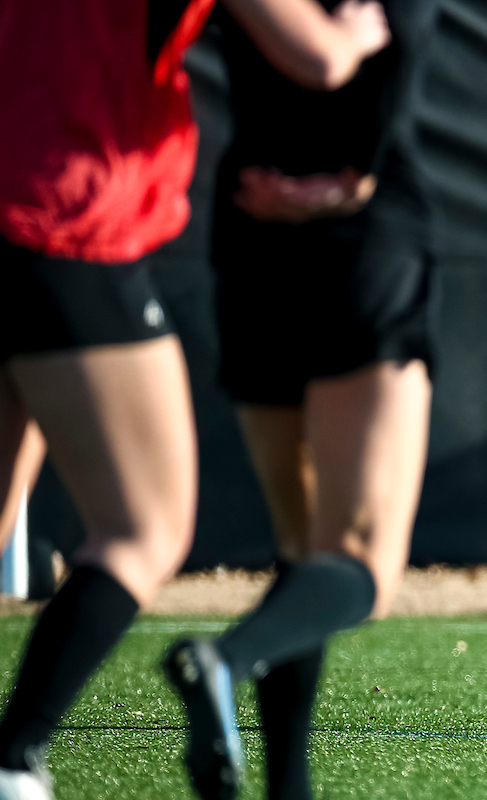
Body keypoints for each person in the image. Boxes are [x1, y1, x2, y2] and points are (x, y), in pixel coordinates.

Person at [0, 3, 394, 800]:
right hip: (60, 213)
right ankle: (14, 757)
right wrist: (356, 31)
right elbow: (314, 55)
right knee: (143, 529)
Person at [161, 2, 441, 799]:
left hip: (250, 231)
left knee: (302, 543)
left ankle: (289, 786)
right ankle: (224, 658)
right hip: (362, 235)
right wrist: (345, 180)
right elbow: (394, 57)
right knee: (358, 562)